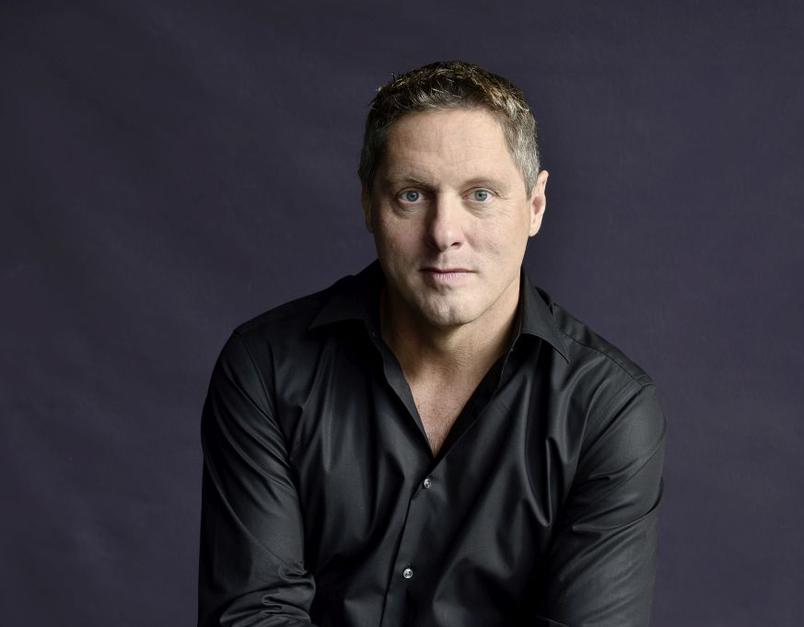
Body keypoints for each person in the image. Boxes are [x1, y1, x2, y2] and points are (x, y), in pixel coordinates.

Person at [198, 60, 667, 627]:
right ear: (369, 204)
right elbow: (254, 615)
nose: (444, 233)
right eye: (412, 195)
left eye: (481, 194)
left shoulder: (606, 410)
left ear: (535, 206)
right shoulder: (267, 368)